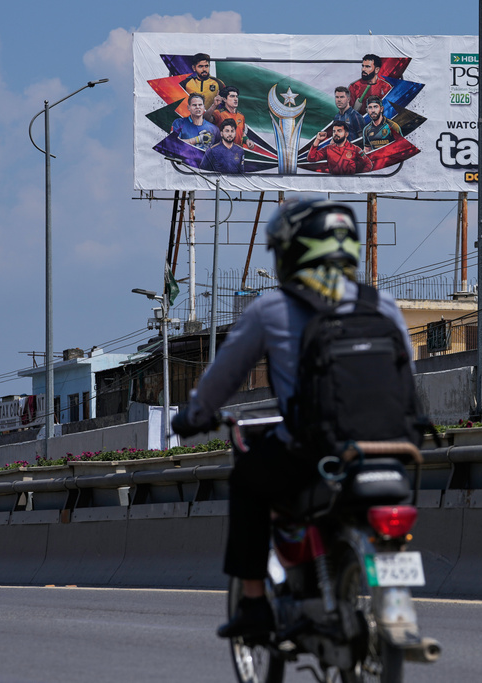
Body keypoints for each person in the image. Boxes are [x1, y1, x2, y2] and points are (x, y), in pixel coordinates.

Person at [171, 199, 414, 639]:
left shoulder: (273, 309)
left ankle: (253, 604)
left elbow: (221, 379)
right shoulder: (383, 306)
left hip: (312, 452)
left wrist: (194, 415)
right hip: (389, 448)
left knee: (247, 480)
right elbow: (407, 379)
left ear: (292, 252)